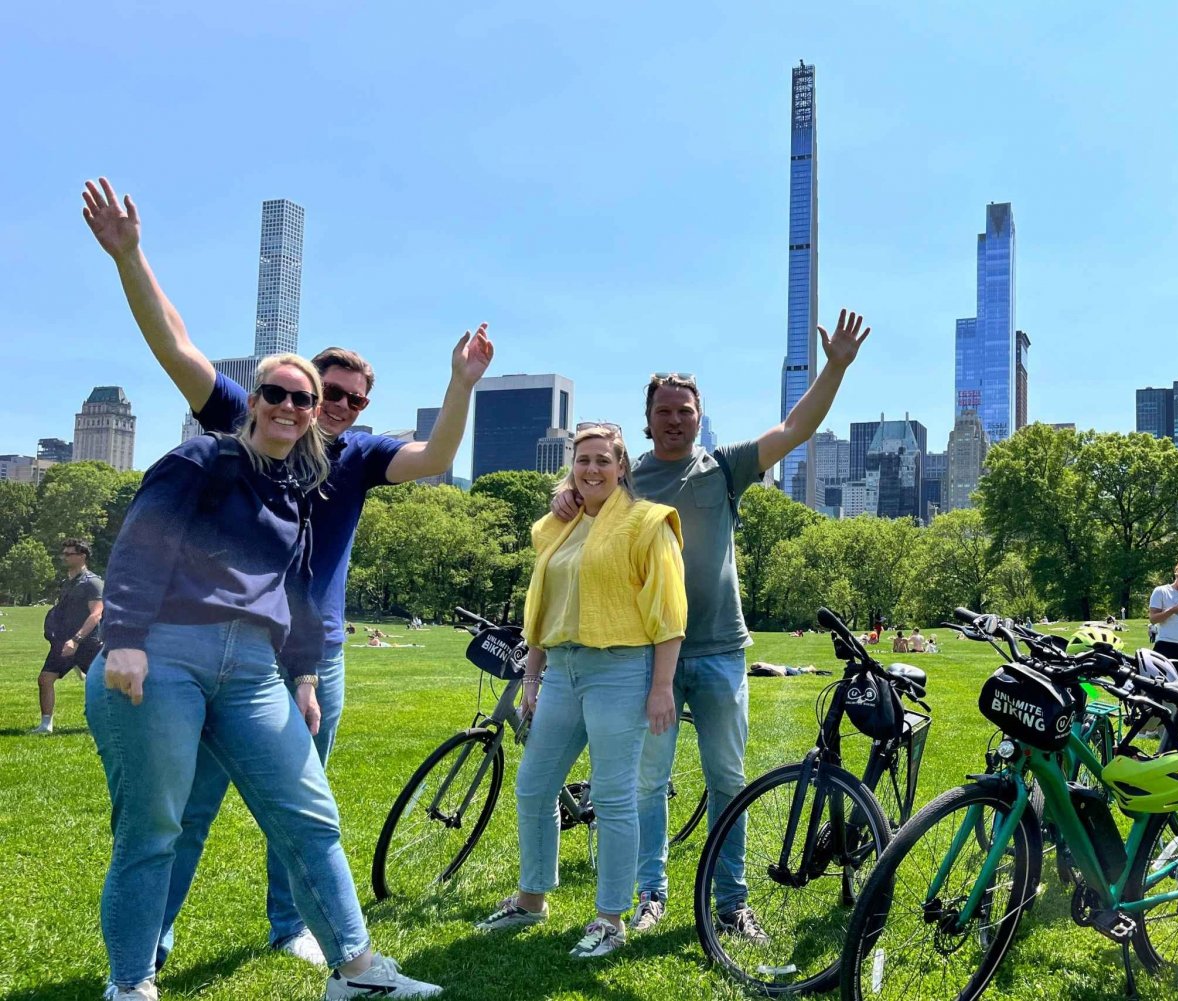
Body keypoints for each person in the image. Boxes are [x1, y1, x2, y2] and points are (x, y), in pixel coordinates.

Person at [83, 176, 494, 969]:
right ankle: (150, 943)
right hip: (198, 642)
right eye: (319, 391)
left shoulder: (361, 454)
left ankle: (294, 926)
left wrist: (461, 384)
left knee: (300, 802)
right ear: (284, 392)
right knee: (185, 805)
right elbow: (176, 347)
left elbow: (439, 457)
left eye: (347, 398)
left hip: (310, 652)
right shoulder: (247, 428)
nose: (328, 406)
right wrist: (132, 259)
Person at [83, 354, 440, 1000]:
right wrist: (126, 639)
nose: (291, 406)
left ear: (312, 420)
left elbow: (294, 593)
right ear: (253, 401)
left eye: (302, 401)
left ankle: (355, 971)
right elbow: (139, 544)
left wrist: (304, 677)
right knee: (155, 826)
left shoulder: (293, 495)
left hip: (251, 669)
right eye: (277, 393)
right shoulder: (199, 462)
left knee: (311, 814)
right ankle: (131, 982)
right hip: (164, 653)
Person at [550, 311, 870, 938]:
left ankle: (731, 901)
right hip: (648, 655)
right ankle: (651, 895)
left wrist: (835, 366)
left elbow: (796, 426)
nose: (674, 419)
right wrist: (566, 496)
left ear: (699, 417)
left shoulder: (724, 468)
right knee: (651, 783)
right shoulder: (626, 478)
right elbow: (575, 506)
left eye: (685, 410)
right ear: (648, 420)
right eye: (664, 411)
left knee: (728, 779)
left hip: (722, 649)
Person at [476, 425, 686, 958]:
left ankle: (610, 918)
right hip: (562, 668)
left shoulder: (647, 523)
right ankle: (531, 898)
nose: (591, 470)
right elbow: (541, 605)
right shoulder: (558, 527)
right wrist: (532, 675)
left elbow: (669, 614)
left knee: (615, 798)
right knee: (533, 785)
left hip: (621, 668)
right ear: (571, 468)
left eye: (601, 461)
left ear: (621, 467)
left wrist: (662, 686)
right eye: (582, 461)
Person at [32, 537, 104, 734]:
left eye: (69, 554)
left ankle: (121, 721)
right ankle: (46, 725)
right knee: (45, 679)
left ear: (82, 556)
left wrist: (77, 639)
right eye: (63, 553)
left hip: (88, 643)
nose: (63, 557)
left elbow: (96, 613)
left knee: (106, 684)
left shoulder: (93, 582)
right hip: (64, 642)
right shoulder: (67, 582)